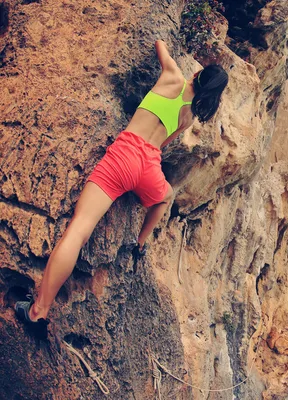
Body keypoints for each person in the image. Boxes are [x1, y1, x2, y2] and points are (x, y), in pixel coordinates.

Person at [14, 40, 229, 336]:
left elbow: (159, 43)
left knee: (78, 231)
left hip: (123, 157)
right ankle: (140, 241)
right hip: (147, 168)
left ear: (197, 76)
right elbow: (162, 146)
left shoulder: (173, 76)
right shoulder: (189, 117)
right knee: (165, 197)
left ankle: (39, 309)